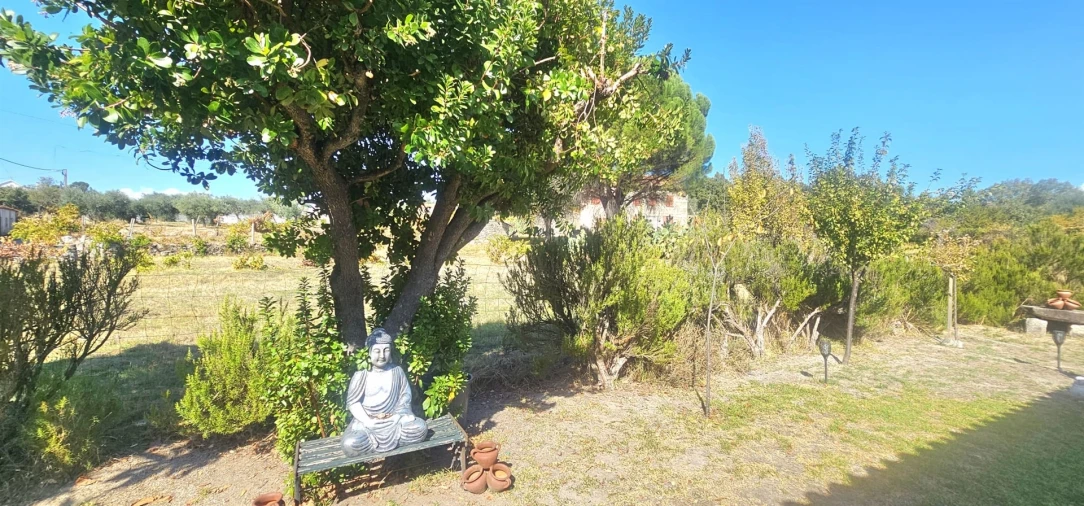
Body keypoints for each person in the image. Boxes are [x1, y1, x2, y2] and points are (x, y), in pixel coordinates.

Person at [341, 328, 428, 456]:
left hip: (394, 421)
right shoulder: (361, 375)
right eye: (377, 351)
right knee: (349, 444)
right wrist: (368, 421)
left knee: (420, 428)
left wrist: (397, 416)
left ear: (391, 352)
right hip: (368, 423)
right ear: (369, 353)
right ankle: (371, 439)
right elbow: (353, 403)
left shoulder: (397, 371)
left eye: (386, 350)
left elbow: (405, 397)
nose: (382, 355)